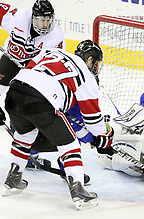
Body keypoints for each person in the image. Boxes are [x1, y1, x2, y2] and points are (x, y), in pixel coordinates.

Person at [2, 40, 113, 210]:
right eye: (96, 63)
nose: (96, 68)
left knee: (24, 136)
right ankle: (78, 190)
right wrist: (105, 136)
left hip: (14, 92)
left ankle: (13, 179)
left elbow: (30, 68)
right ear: (90, 60)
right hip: (41, 101)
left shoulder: (52, 52)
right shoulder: (86, 76)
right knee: (70, 144)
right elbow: (93, 121)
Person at [0, 0, 66, 169]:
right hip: (11, 61)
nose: (45, 24)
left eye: (48, 19)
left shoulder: (56, 37)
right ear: (33, 18)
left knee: (24, 110)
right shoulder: (17, 17)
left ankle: (29, 153)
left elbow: (56, 65)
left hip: (31, 73)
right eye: (41, 20)